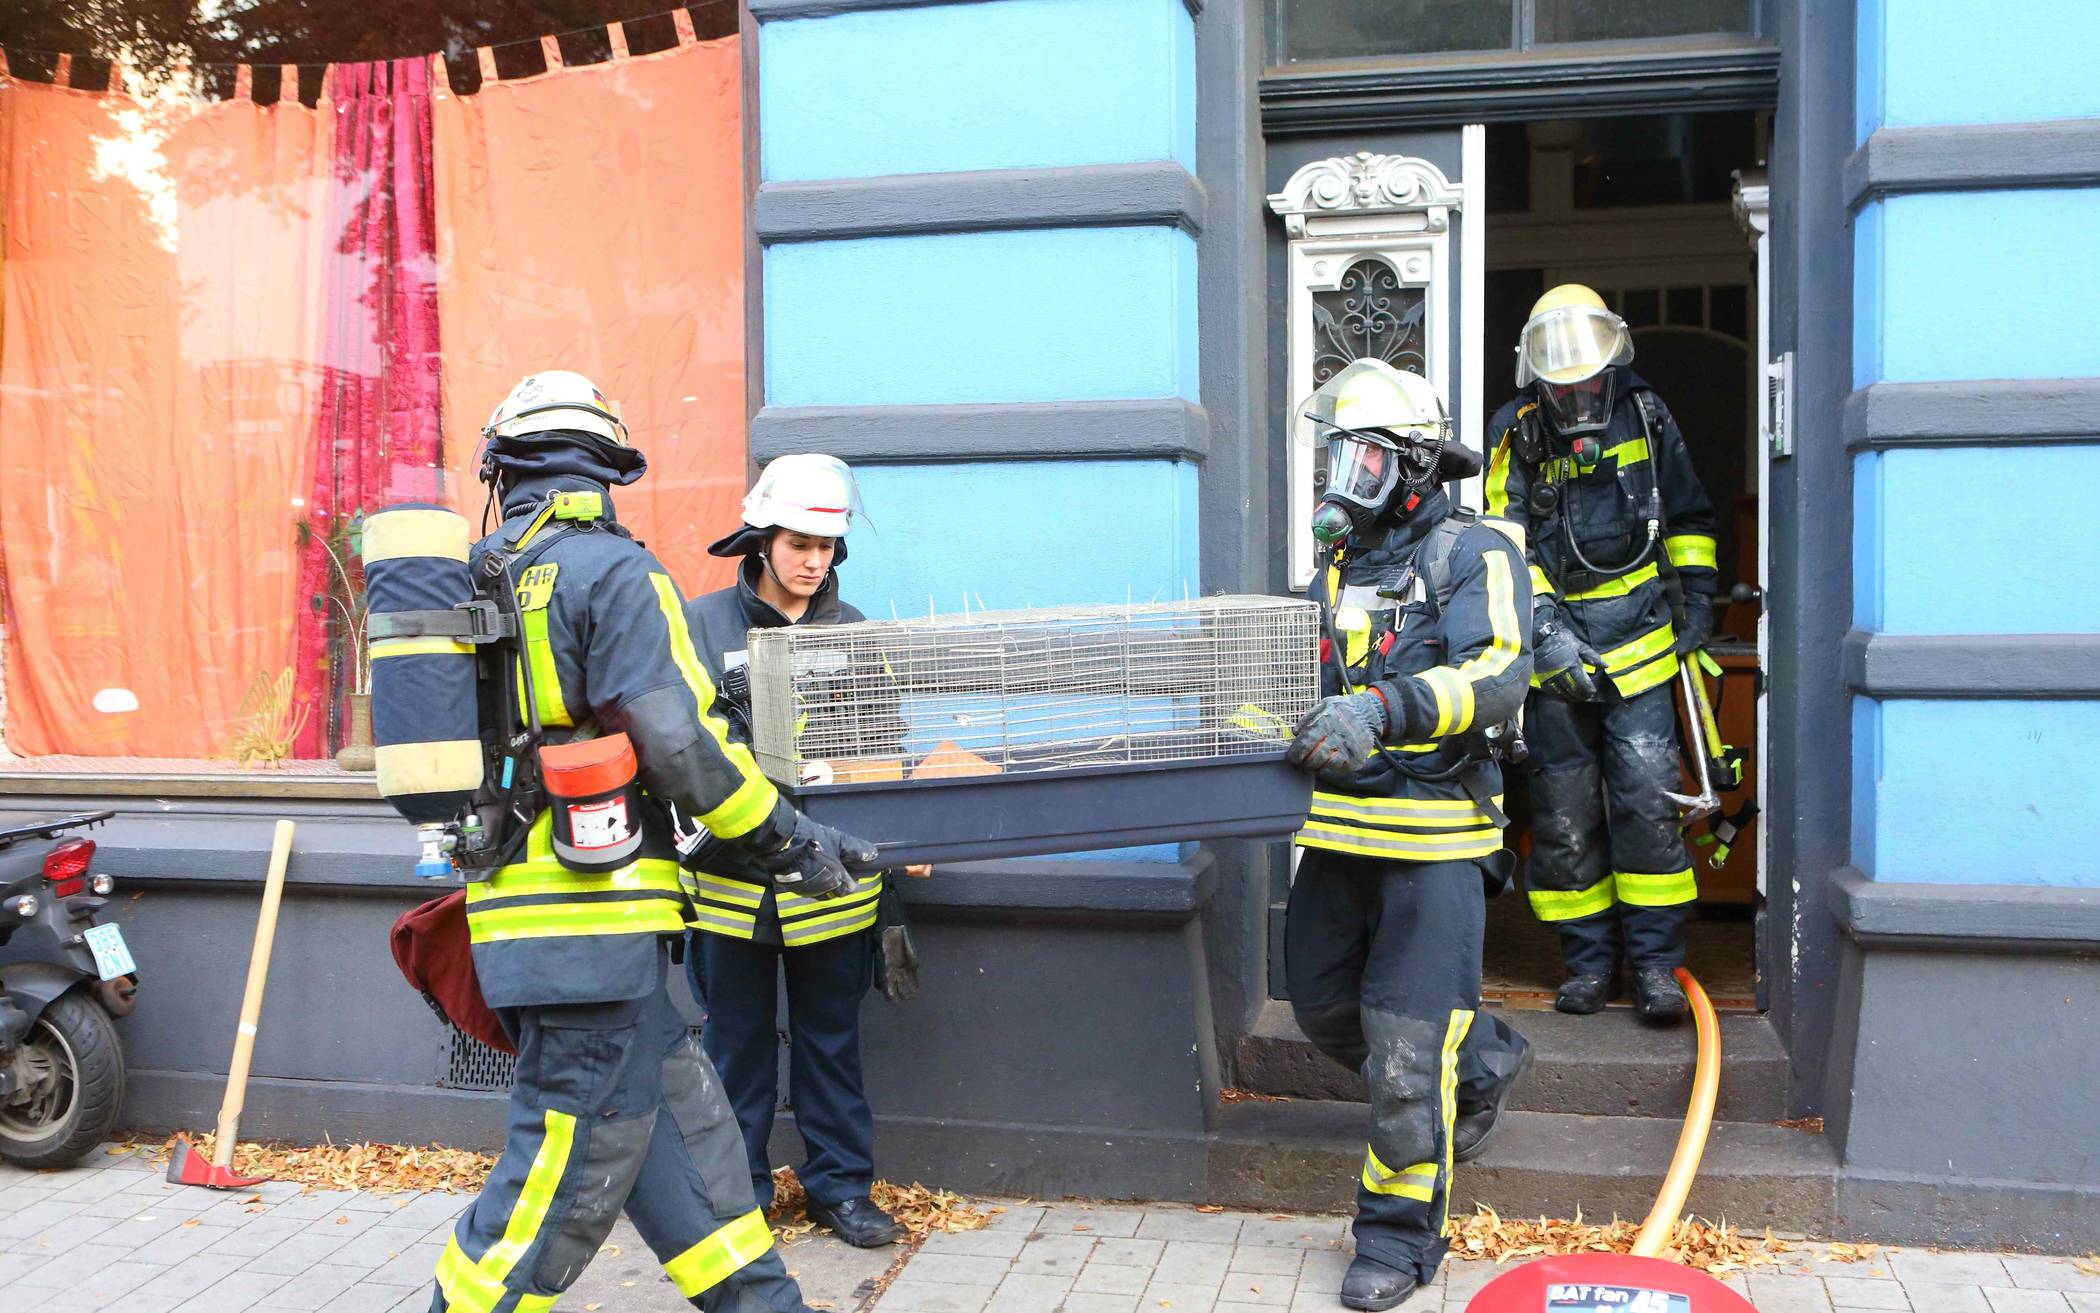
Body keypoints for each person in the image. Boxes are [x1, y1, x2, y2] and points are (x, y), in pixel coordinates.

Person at [432, 371, 878, 1313]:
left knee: (690, 1139)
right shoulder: (617, 573)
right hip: (590, 926)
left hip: (526, 919)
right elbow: (682, 744)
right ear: (606, 467)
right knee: (560, 1174)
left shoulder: (476, 576)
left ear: (502, 468)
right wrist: (792, 840)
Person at [1282, 359, 1535, 1312]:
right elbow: (1309, 677)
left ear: (1417, 464)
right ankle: (1484, 1060)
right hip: (1339, 836)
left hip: (1434, 843)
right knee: (1321, 1007)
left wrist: (1384, 709)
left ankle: (1396, 1238)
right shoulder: (1340, 564)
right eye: (1339, 455)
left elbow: (1500, 671)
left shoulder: (1475, 552)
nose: (1346, 475)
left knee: (1404, 1053)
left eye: (1367, 457)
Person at [679, 453, 923, 1249]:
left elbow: (884, 743)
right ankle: (736, 1200)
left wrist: (902, 834)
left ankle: (840, 1189)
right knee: (735, 1052)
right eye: (798, 544)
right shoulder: (701, 626)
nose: (814, 561)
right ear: (763, 540)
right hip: (732, 885)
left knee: (831, 1046)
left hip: (833, 889)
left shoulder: (853, 632)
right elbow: (683, 750)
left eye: (826, 546)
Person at [1482, 285, 1720, 1023]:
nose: (1576, 396)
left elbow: (1686, 513)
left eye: (1586, 381)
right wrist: (1547, 636)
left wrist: (1698, 600)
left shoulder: (1647, 414)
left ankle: (1653, 966)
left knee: (1649, 804)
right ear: (1538, 377)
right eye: (1562, 385)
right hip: (1558, 659)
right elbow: (1504, 545)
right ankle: (1586, 964)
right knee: (1564, 815)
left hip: (1642, 644)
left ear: (1609, 365)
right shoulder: (1515, 430)